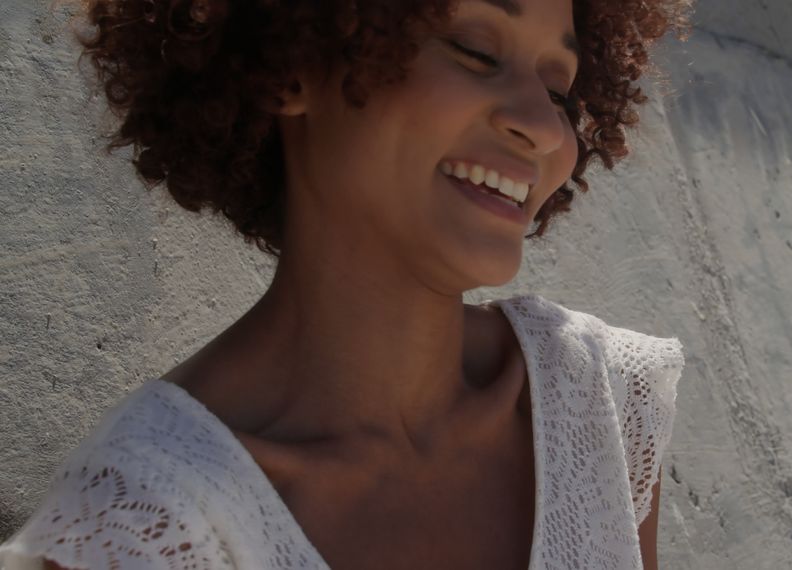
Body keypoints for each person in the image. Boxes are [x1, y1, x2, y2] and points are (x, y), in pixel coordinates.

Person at [0, 0, 692, 567]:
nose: (545, 129)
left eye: (557, 90)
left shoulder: (602, 403)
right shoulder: (135, 529)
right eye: (477, 51)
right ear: (289, 67)